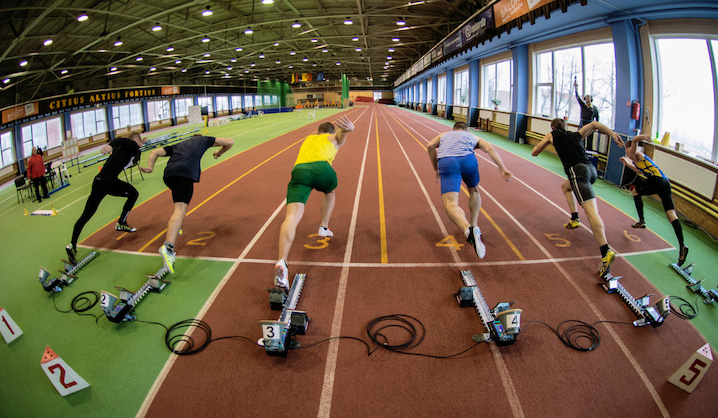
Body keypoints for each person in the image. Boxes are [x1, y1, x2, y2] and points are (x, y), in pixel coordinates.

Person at [532, 119, 624, 278]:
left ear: (553, 128)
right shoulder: (576, 135)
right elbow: (594, 125)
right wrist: (613, 134)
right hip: (591, 170)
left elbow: (534, 152)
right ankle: (575, 218)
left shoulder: (552, 134)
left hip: (578, 172)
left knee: (591, 212)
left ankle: (605, 251)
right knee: (566, 186)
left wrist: (547, 140)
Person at [274, 116, 355, 292]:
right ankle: (323, 227)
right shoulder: (331, 137)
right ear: (330, 131)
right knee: (330, 192)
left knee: (292, 217)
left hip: (300, 171)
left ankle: (282, 261)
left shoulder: (309, 138)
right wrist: (347, 130)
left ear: (317, 131)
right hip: (322, 169)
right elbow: (340, 137)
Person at [139, 134, 234, 274]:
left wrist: (150, 167)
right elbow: (229, 141)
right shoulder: (203, 140)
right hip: (185, 173)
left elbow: (155, 152)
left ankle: (178, 225)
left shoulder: (180, 144)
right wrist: (218, 152)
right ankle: (168, 247)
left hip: (169, 175)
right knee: (180, 209)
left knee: (180, 205)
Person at [427, 122, 513, 259]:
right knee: (474, 191)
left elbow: (430, 146)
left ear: (453, 129)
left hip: (448, 162)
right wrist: (502, 168)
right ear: (467, 130)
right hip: (468, 161)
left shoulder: (444, 135)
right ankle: (474, 226)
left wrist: (435, 167)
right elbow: (490, 149)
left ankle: (468, 231)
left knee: (451, 204)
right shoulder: (473, 137)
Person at [65, 132, 146, 265]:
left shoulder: (123, 149)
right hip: (109, 182)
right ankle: (121, 222)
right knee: (134, 194)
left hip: (98, 181)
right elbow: (121, 140)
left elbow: (124, 145)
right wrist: (109, 145)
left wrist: (139, 143)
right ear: (136, 141)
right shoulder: (131, 145)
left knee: (86, 215)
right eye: (139, 142)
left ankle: (72, 246)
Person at [620, 134, 688, 266]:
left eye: (626, 150)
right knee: (671, 215)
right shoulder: (637, 160)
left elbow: (634, 140)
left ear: (630, 148)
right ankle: (682, 247)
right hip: (664, 183)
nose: (626, 153)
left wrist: (644, 136)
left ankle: (641, 221)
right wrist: (627, 165)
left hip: (656, 181)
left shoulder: (635, 153)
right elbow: (640, 172)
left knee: (635, 191)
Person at [574, 80, 599, 150]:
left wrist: (596, 127)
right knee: (581, 138)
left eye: (589, 99)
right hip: (582, 123)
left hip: (590, 124)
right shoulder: (583, 106)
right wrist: (576, 88)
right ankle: (581, 150)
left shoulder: (594, 108)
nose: (587, 100)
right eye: (586, 99)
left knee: (590, 140)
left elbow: (597, 117)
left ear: (591, 99)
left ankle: (588, 152)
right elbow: (578, 97)